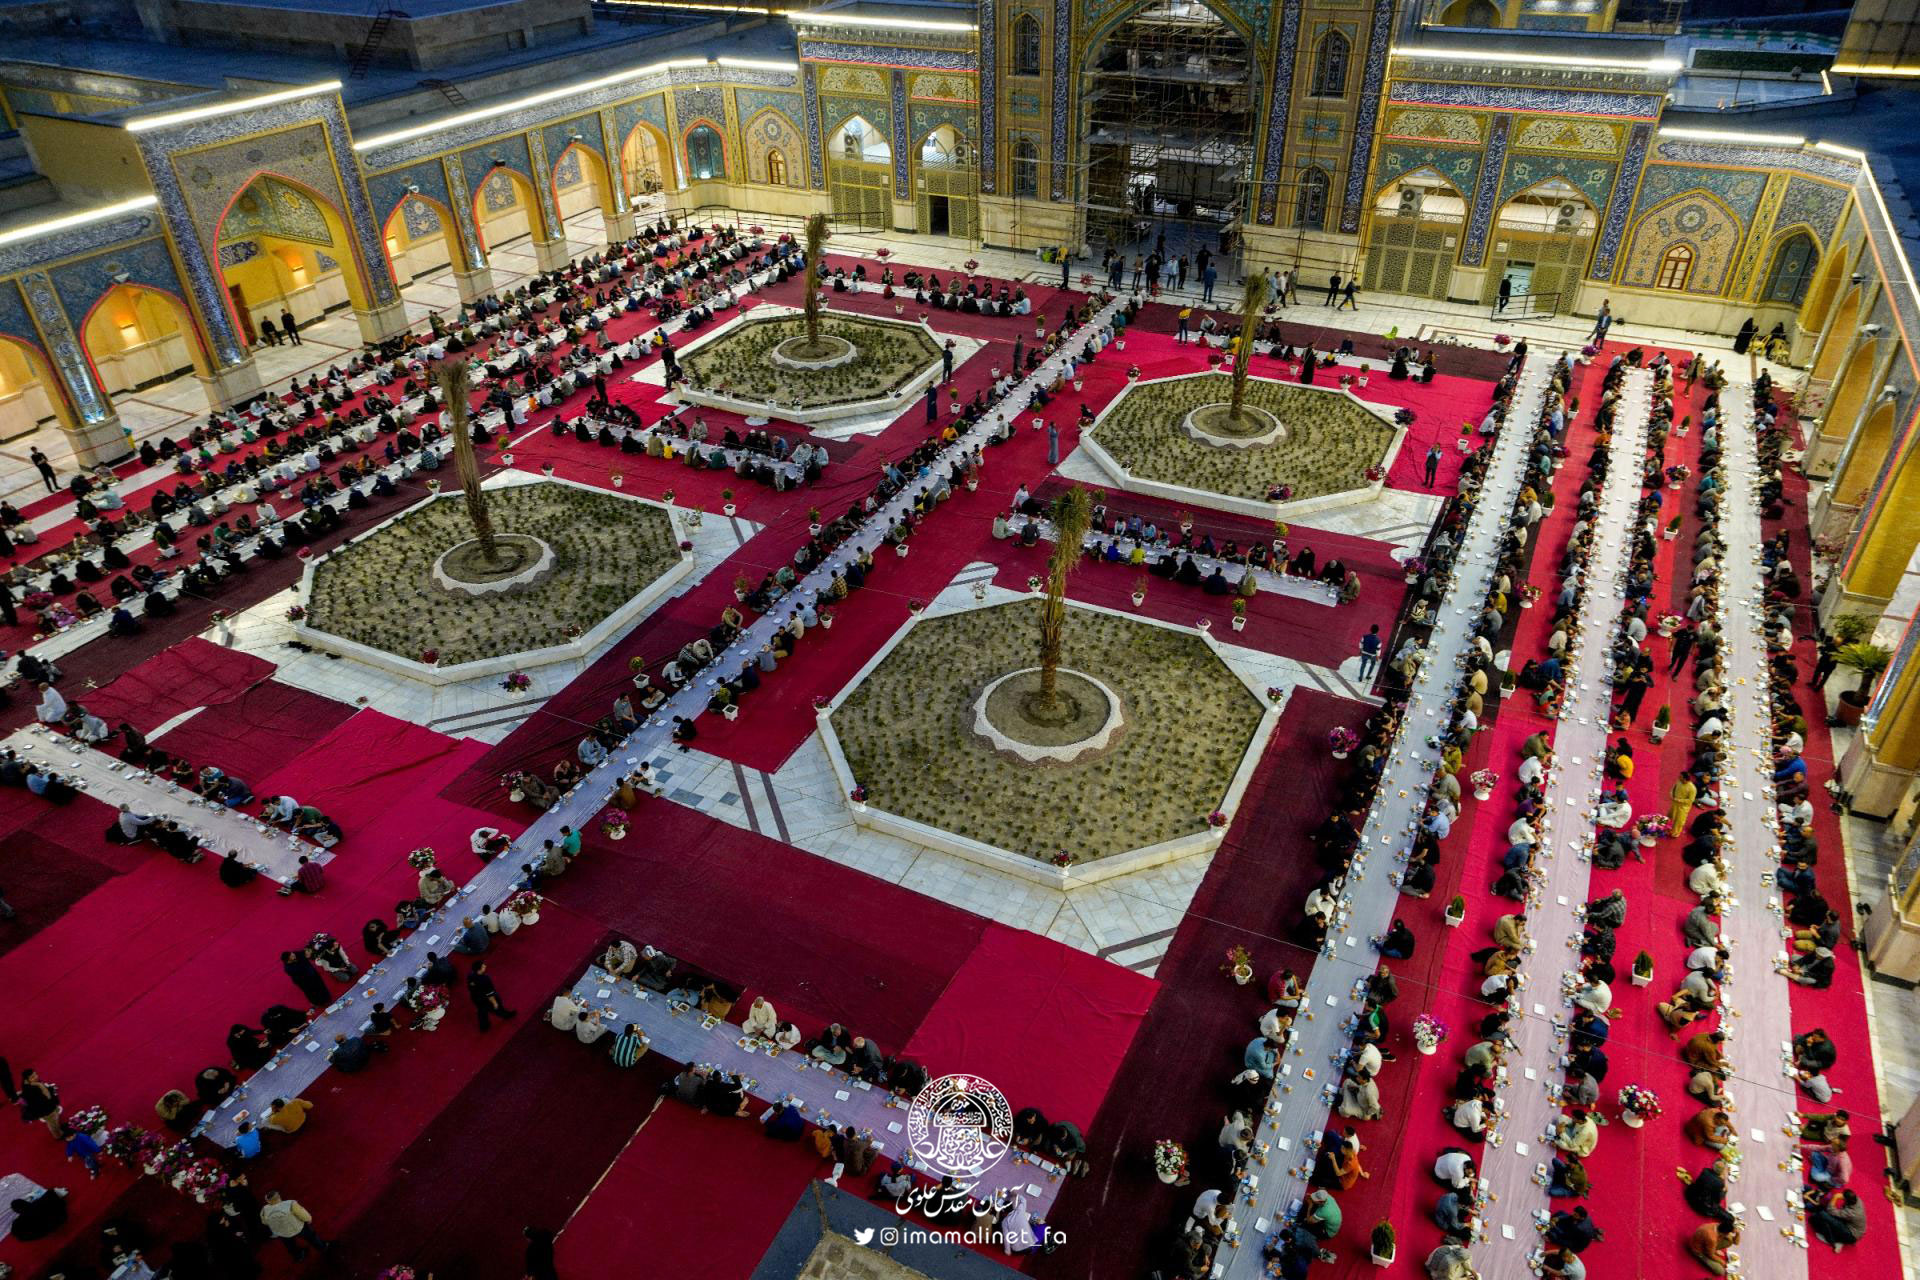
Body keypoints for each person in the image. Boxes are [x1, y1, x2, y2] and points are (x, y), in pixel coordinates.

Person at [260, 1191, 327, 1258]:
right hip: (297, 1227)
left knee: (290, 1246)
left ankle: (299, 1256)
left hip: (282, 1233)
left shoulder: (264, 1210)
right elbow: (302, 1214)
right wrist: (309, 1219)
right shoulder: (290, 1204)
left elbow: (264, 1222)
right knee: (311, 1236)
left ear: (268, 1201)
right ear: (279, 1196)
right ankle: (322, 1247)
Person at [468, 960, 516, 1030]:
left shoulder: (470, 975)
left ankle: (484, 1026)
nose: (485, 966)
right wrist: (494, 1003)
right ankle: (506, 1015)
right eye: (483, 966)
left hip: (476, 998)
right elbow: (489, 993)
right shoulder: (485, 979)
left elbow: (470, 986)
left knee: (482, 1011)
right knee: (497, 1007)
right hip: (485, 998)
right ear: (479, 970)